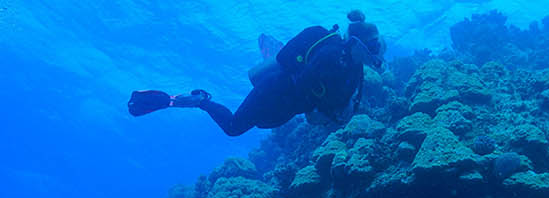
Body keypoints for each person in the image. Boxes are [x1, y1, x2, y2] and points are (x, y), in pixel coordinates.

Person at [127, 10, 385, 136]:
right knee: (233, 128)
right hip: (274, 92)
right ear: (357, 42)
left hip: (282, 103)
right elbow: (300, 75)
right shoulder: (335, 57)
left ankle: (201, 101)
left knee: (242, 127)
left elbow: (330, 106)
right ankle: (201, 100)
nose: (378, 52)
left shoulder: (353, 70)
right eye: (373, 45)